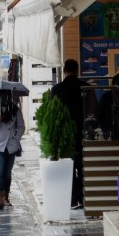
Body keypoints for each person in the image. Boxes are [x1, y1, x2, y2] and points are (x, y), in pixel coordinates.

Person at [50, 59, 93, 210]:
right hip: (85, 134)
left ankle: (72, 200)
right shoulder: (86, 88)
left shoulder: (56, 90)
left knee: (68, 167)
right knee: (84, 166)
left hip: (65, 136)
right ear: (77, 70)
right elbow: (92, 112)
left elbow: (53, 116)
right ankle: (84, 198)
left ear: (64, 70)